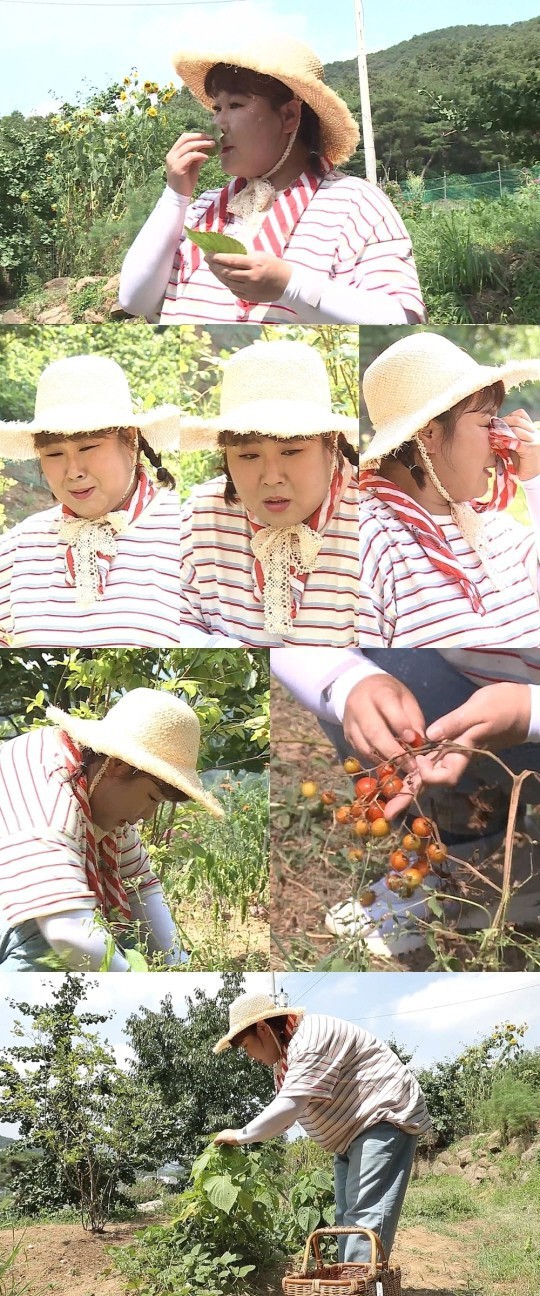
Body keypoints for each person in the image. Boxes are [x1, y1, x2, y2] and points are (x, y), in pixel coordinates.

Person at [119, 30, 426, 326]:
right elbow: (135, 300)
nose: (218, 122)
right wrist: (175, 194)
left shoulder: (354, 203)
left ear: (289, 116)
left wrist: (290, 286)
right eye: (216, 107)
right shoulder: (204, 207)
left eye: (235, 105)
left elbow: (400, 318)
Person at [270, 647, 540, 956]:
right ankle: (468, 854)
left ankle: (465, 861)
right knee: (374, 670)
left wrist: (529, 712)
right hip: (471, 686)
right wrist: (350, 681)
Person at [0, 686, 223, 971]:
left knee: (121, 936)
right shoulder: (50, 792)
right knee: (46, 945)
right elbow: (66, 929)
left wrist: (178, 967)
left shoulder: (98, 787)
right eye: (152, 798)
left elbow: (140, 888)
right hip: (20, 910)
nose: (148, 815)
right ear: (118, 765)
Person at [213, 992, 430, 1266]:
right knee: (346, 1217)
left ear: (263, 1029)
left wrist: (239, 1135)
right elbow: (287, 1117)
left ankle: (358, 1288)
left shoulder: (309, 1038)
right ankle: (354, 1283)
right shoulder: (285, 1058)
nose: (249, 1056)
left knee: (365, 1216)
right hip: (350, 1135)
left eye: (246, 1046)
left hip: (381, 1118)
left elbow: (289, 1106)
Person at [359, 332, 540, 646]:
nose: (503, 439)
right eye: (487, 423)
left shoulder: (492, 527)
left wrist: (535, 480)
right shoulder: (368, 542)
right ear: (429, 433)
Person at [177, 340, 360, 646]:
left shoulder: (370, 521)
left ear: (332, 445)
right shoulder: (202, 516)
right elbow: (175, 618)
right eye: (249, 456)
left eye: (292, 451)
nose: (272, 478)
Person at [0, 354, 185, 647]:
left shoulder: (186, 535)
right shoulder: (16, 549)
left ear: (131, 440)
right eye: (54, 454)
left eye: (88, 447)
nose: (74, 472)